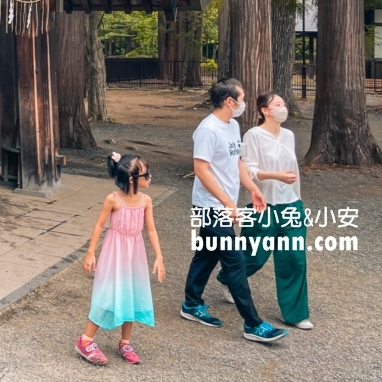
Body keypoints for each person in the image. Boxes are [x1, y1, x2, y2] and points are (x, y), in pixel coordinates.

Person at [181, 78, 287, 343]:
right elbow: (201, 169)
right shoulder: (208, 130)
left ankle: (191, 304)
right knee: (235, 261)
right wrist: (227, 203)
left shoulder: (232, 125)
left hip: (222, 204)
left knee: (206, 255)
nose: (244, 103)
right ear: (230, 101)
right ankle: (253, 324)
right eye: (242, 99)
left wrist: (252, 188)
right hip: (210, 206)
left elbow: (236, 160)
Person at [216, 92, 312, 330]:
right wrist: (275, 176)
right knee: (254, 257)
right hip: (262, 206)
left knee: (295, 259)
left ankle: (295, 313)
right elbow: (246, 170)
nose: (283, 107)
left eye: (284, 104)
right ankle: (227, 277)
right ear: (265, 111)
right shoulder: (253, 135)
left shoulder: (289, 135)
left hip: (291, 204)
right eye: (277, 104)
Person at [76, 153, 164, 366]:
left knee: (131, 292)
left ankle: (125, 342)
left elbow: (151, 229)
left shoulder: (146, 201)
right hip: (114, 253)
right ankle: (85, 340)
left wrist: (159, 256)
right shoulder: (113, 199)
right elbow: (99, 225)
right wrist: (90, 252)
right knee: (108, 292)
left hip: (135, 253)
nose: (150, 177)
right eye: (147, 173)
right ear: (132, 179)